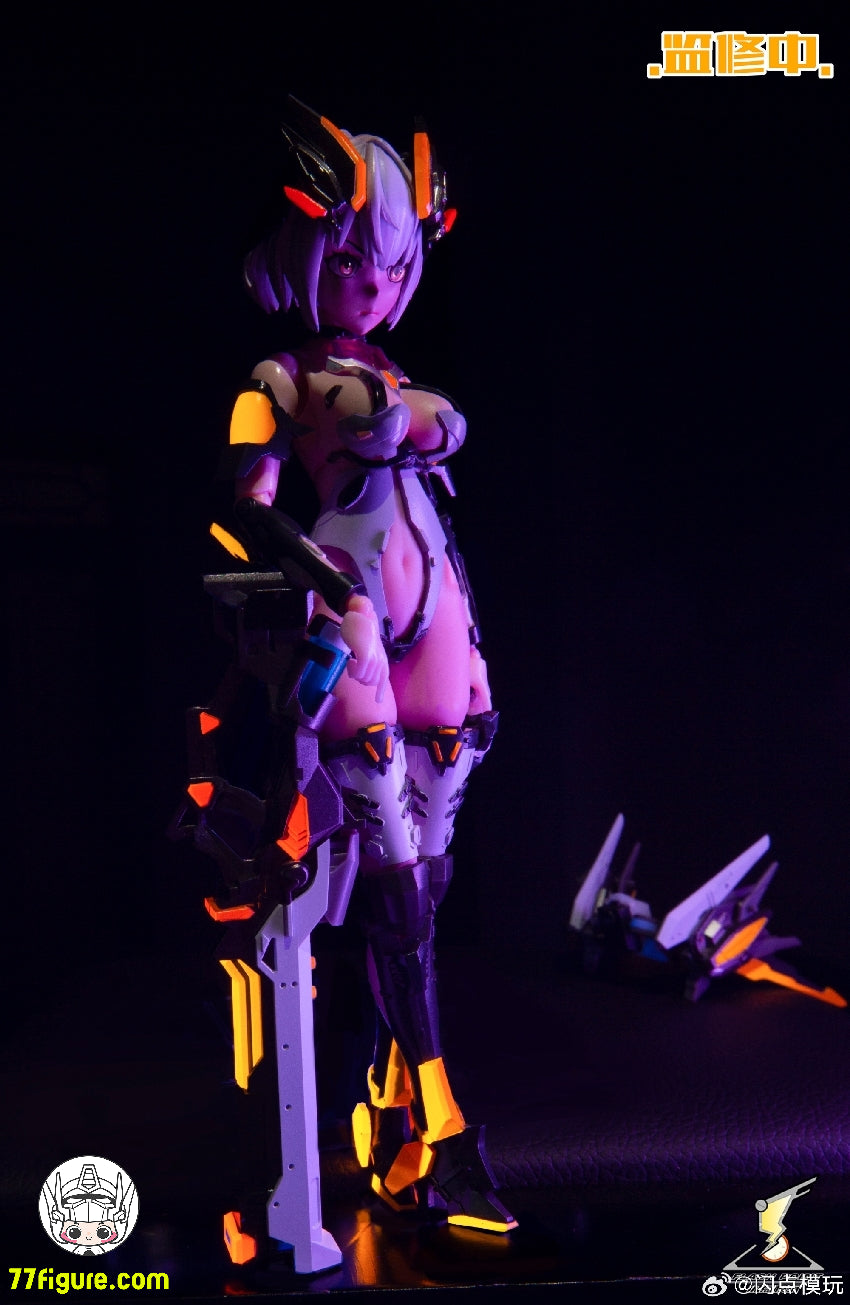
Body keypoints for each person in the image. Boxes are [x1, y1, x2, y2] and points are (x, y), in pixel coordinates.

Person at [228, 98, 514, 1232]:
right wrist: (318, 586)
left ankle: (395, 1109)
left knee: (423, 889)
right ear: (304, 255)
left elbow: (439, 439)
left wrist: (413, 419)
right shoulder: (276, 378)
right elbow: (246, 505)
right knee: (397, 888)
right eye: (354, 260)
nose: (377, 284)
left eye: (394, 265)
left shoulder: (392, 374)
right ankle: (442, 1124)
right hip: (352, 622)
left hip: (433, 621)